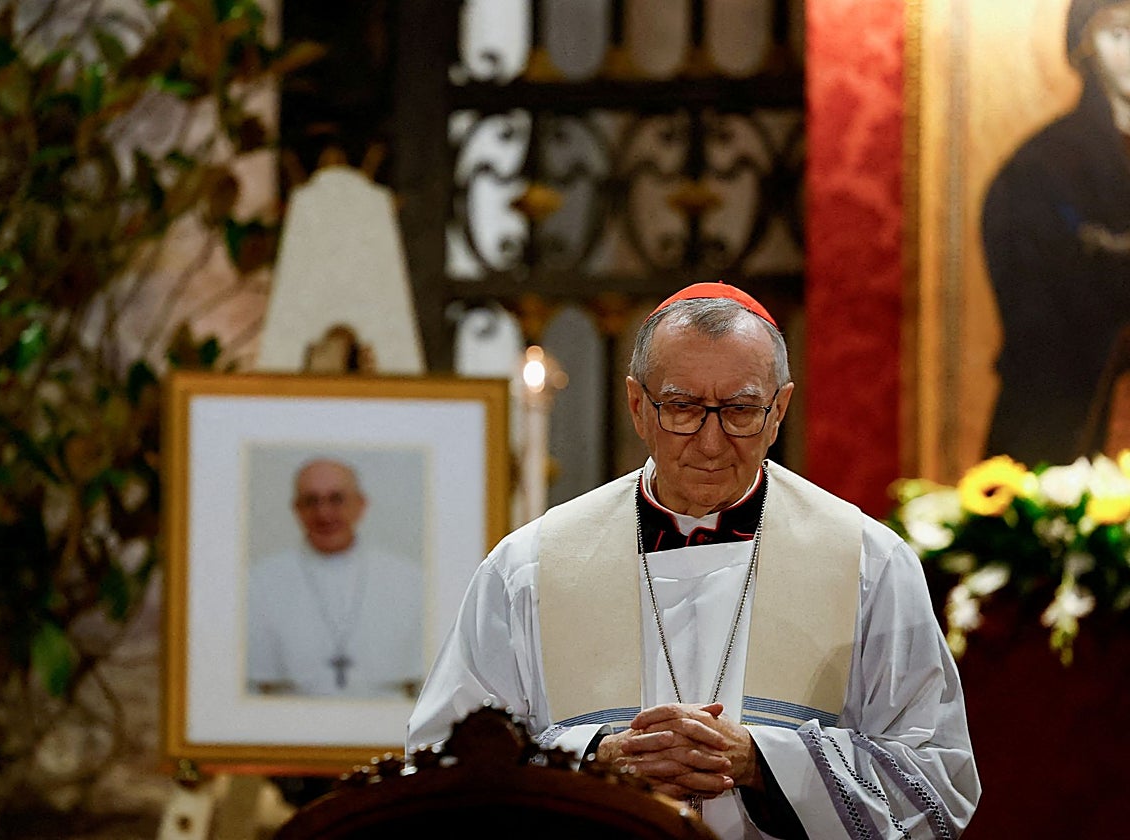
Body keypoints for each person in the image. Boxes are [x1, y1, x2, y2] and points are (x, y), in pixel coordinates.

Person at [407, 282, 980, 839]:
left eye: (740, 410)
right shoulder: (528, 567)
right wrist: (593, 764)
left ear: (779, 409)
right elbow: (443, 769)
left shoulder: (868, 564)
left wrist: (761, 764)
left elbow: (937, 784)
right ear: (637, 404)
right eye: (682, 407)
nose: (710, 442)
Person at [982, 0, 1130, 465]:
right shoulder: (1042, 167)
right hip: (1070, 394)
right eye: (1120, 35)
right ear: (1085, 47)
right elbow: (1032, 292)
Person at [246, 458, 423, 698]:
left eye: (336, 499)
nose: (324, 513)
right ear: (296, 509)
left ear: (361, 505)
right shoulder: (258, 583)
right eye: (311, 501)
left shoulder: (408, 580)